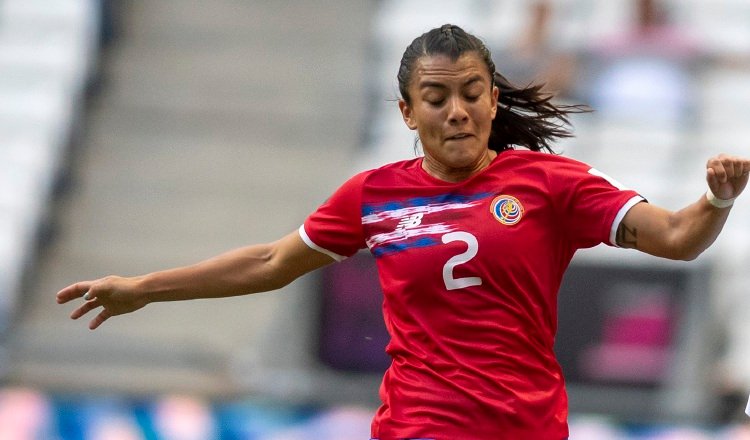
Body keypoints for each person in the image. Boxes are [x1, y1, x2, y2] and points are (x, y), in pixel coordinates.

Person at [57, 24, 749, 439]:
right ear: (407, 110)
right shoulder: (375, 194)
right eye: (437, 97)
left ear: (492, 97)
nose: (457, 111)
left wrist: (715, 201)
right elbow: (270, 260)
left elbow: (675, 238)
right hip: (418, 425)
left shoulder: (550, 184)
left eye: (472, 92)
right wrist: (144, 288)